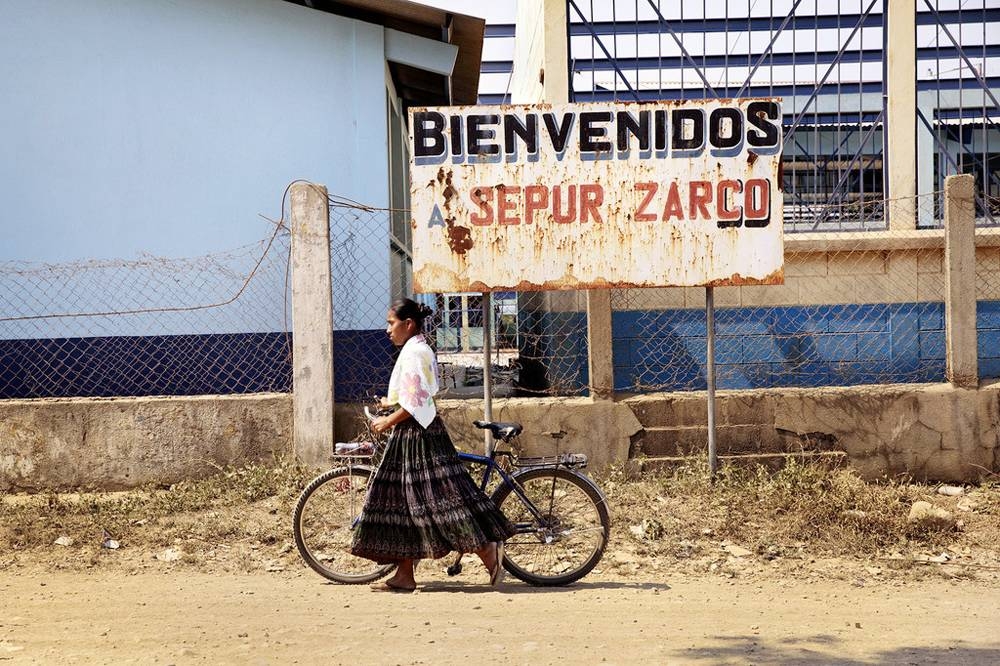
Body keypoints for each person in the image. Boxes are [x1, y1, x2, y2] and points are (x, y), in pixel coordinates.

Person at [350, 297, 515, 592]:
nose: (388, 330)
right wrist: (391, 402)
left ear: (408, 324)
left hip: (417, 436)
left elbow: (416, 403)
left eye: (391, 323)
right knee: (405, 503)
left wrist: (386, 421)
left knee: (437, 502)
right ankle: (404, 574)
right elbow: (418, 394)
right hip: (417, 431)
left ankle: (485, 550)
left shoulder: (414, 353)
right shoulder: (418, 348)